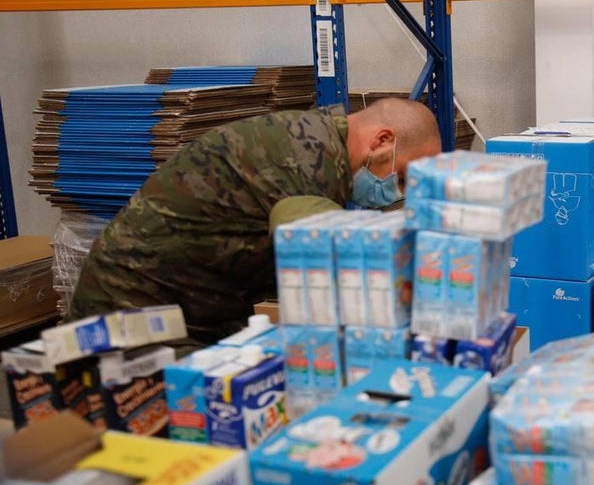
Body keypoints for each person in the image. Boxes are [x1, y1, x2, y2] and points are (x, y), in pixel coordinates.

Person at [70, 97, 441, 343]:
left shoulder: (321, 145)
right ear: (382, 141)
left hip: (192, 307)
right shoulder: (309, 157)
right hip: (132, 314)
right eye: (404, 176)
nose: (399, 191)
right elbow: (326, 266)